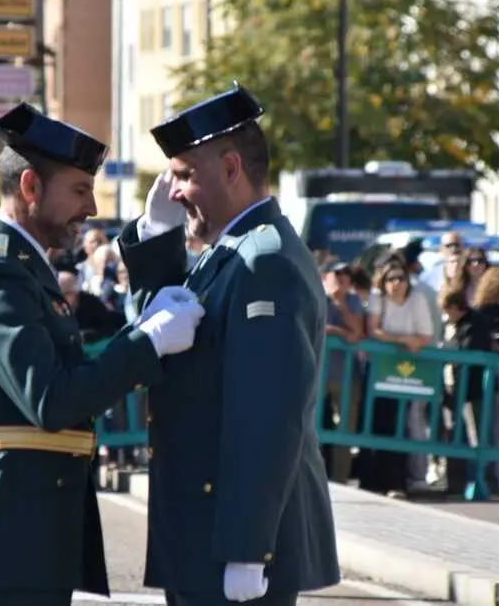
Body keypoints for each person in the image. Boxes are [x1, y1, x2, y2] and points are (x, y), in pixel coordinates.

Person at [0, 103, 206, 606]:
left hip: (25, 529)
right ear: (30, 187)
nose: (91, 207)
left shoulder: (22, 265)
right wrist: (150, 340)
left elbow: (68, 375)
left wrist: (143, 329)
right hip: (8, 531)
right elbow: (52, 398)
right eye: (79, 190)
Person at [118, 83, 340, 606]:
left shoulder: (261, 261)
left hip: (230, 544)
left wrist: (248, 549)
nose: (174, 192)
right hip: (204, 529)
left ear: (232, 168)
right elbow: (169, 328)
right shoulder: (233, 253)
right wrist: (154, 238)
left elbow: (266, 417)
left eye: (185, 176)